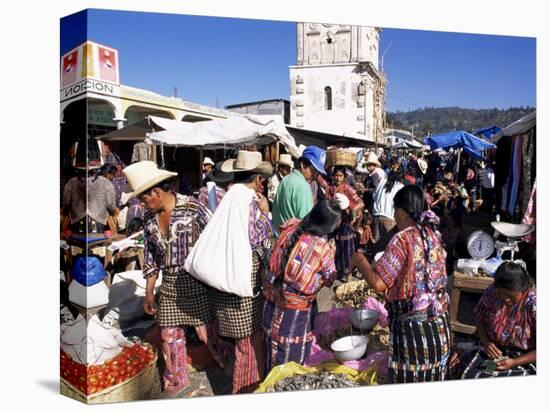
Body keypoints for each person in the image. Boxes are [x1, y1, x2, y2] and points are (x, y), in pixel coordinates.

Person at [122, 161, 225, 396]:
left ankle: (223, 364)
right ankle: (175, 381)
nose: (141, 203)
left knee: (208, 332)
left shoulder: (193, 208)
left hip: (197, 283)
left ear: (156, 193)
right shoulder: (149, 222)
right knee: (169, 336)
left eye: (143, 198)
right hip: (169, 286)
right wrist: (149, 292)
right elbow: (150, 259)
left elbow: (216, 237)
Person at [351, 185, 450, 383]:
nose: (394, 215)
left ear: (402, 212)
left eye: (395, 210)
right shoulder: (433, 235)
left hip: (413, 332)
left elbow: (379, 284)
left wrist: (359, 260)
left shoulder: (403, 239)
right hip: (439, 328)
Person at [208, 150, 274, 393]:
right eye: (262, 179)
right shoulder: (252, 206)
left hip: (222, 285)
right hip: (245, 292)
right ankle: (244, 392)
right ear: (257, 179)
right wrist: (266, 213)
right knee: (249, 347)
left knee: (239, 347)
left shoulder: (227, 199)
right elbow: (266, 249)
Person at [262, 200, 341, 370]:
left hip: (270, 306)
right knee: (289, 361)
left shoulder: (291, 228)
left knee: (272, 353)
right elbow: (330, 278)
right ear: (326, 226)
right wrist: (332, 253)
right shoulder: (322, 248)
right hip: (293, 316)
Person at [450, 261, 536, 379]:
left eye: (511, 296)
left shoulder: (534, 302)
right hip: (495, 352)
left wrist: (514, 362)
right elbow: (479, 316)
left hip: (523, 357)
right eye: (502, 294)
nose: (506, 299)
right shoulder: (492, 292)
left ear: (524, 291)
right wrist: (486, 342)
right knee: (474, 375)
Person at [272, 146, 326, 235]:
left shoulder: (286, 179)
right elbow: (307, 223)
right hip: (291, 242)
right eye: (314, 170)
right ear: (303, 165)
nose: (316, 175)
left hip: (279, 237)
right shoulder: (303, 186)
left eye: (318, 172)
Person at [325, 165, 364, 281]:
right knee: (335, 249)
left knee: (348, 251)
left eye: (341, 175)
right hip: (333, 224)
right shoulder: (329, 189)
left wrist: (353, 210)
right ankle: (335, 273)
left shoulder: (348, 189)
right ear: (333, 176)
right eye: (336, 175)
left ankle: (349, 278)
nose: (338, 178)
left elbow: (361, 203)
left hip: (346, 224)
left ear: (344, 177)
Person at [62, 166, 117, 234]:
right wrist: (112, 212)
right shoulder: (105, 182)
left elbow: (66, 203)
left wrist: (65, 212)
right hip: (99, 220)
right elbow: (110, 204)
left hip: (76, 220)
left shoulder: (71, 182)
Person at [371, 168, 404, 252]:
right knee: (388, 247)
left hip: (376, 215)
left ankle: (375, 263)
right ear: (401, 179)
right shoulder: (400, 186)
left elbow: (374, 197)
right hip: (389, 217)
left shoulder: (381, 183)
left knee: (377, 245)